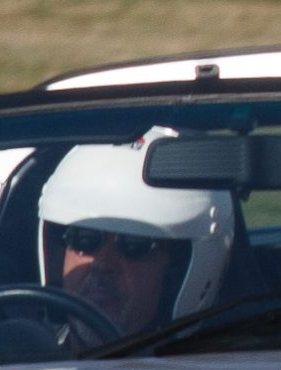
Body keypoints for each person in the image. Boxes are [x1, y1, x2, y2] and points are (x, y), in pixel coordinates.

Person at [36, 136, 236, 337]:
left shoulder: (225, 367)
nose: (102, 264)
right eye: (84, 239)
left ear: (176, 272)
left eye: (133, 244)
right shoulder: (18, 354)